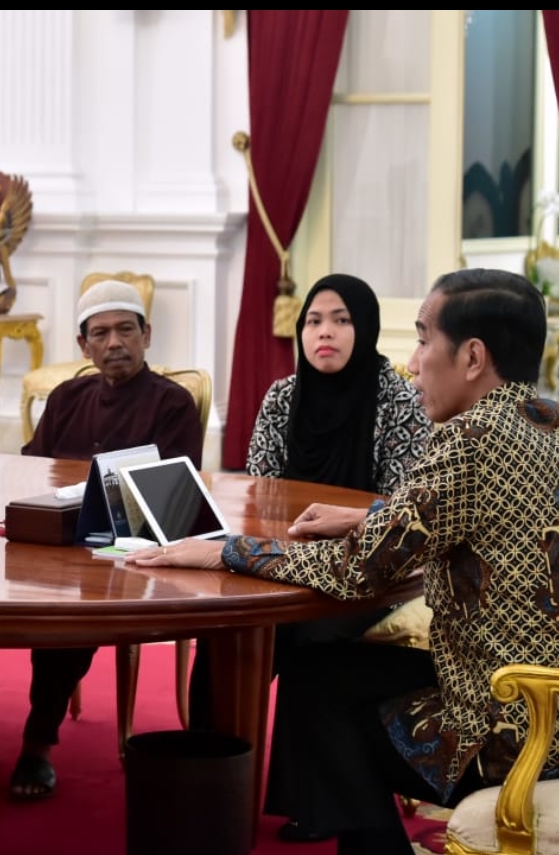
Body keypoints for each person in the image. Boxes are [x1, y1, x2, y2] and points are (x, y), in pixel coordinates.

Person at [127, 268, 559, 855]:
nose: (413, 362)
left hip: (514, 724)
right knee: (322, 675)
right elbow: (482, 514)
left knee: (321, 699)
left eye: (423, 340)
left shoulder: (471, 438)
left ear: (472, 357)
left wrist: (225, 551)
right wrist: (370, 516)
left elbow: (355, 571)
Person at [198, 273, 434, 842]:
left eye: (341, 320)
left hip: (368, 570)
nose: (324, 333)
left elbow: (403, 509)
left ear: (366, 328)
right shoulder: (283, 397)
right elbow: (256, 495)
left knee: (309, 637)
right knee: (223, 630)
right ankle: (207, 780)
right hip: (282, 558)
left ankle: (312, 799)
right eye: (313, 321)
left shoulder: (399, 399)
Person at [7, 278, 206, 800]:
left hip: (127, 553)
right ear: (83, 345)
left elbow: (173, 499)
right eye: (100, 334)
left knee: (68, 615)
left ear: (146, 335)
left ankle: (37, 744)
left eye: (125, 330)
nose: (114, 342)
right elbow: (30, 469)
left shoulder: (173, 404)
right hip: (54, 544)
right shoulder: (67, 398)